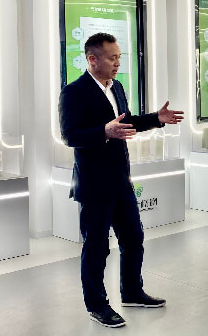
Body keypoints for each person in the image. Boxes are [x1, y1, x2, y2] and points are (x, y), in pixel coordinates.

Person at [59, 32, 184, 328]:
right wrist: (103, 131)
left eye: (119, 57)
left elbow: (126, 123)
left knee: (133, 239)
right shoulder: (74, 92)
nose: (117, 63)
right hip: (94, 185)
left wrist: (155, 119)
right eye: (112, 58)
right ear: (92, 59)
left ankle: (132, 292)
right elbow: (70, 135)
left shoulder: (117, 87)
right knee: (97, 248)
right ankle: (97, 305)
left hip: (121, 180)